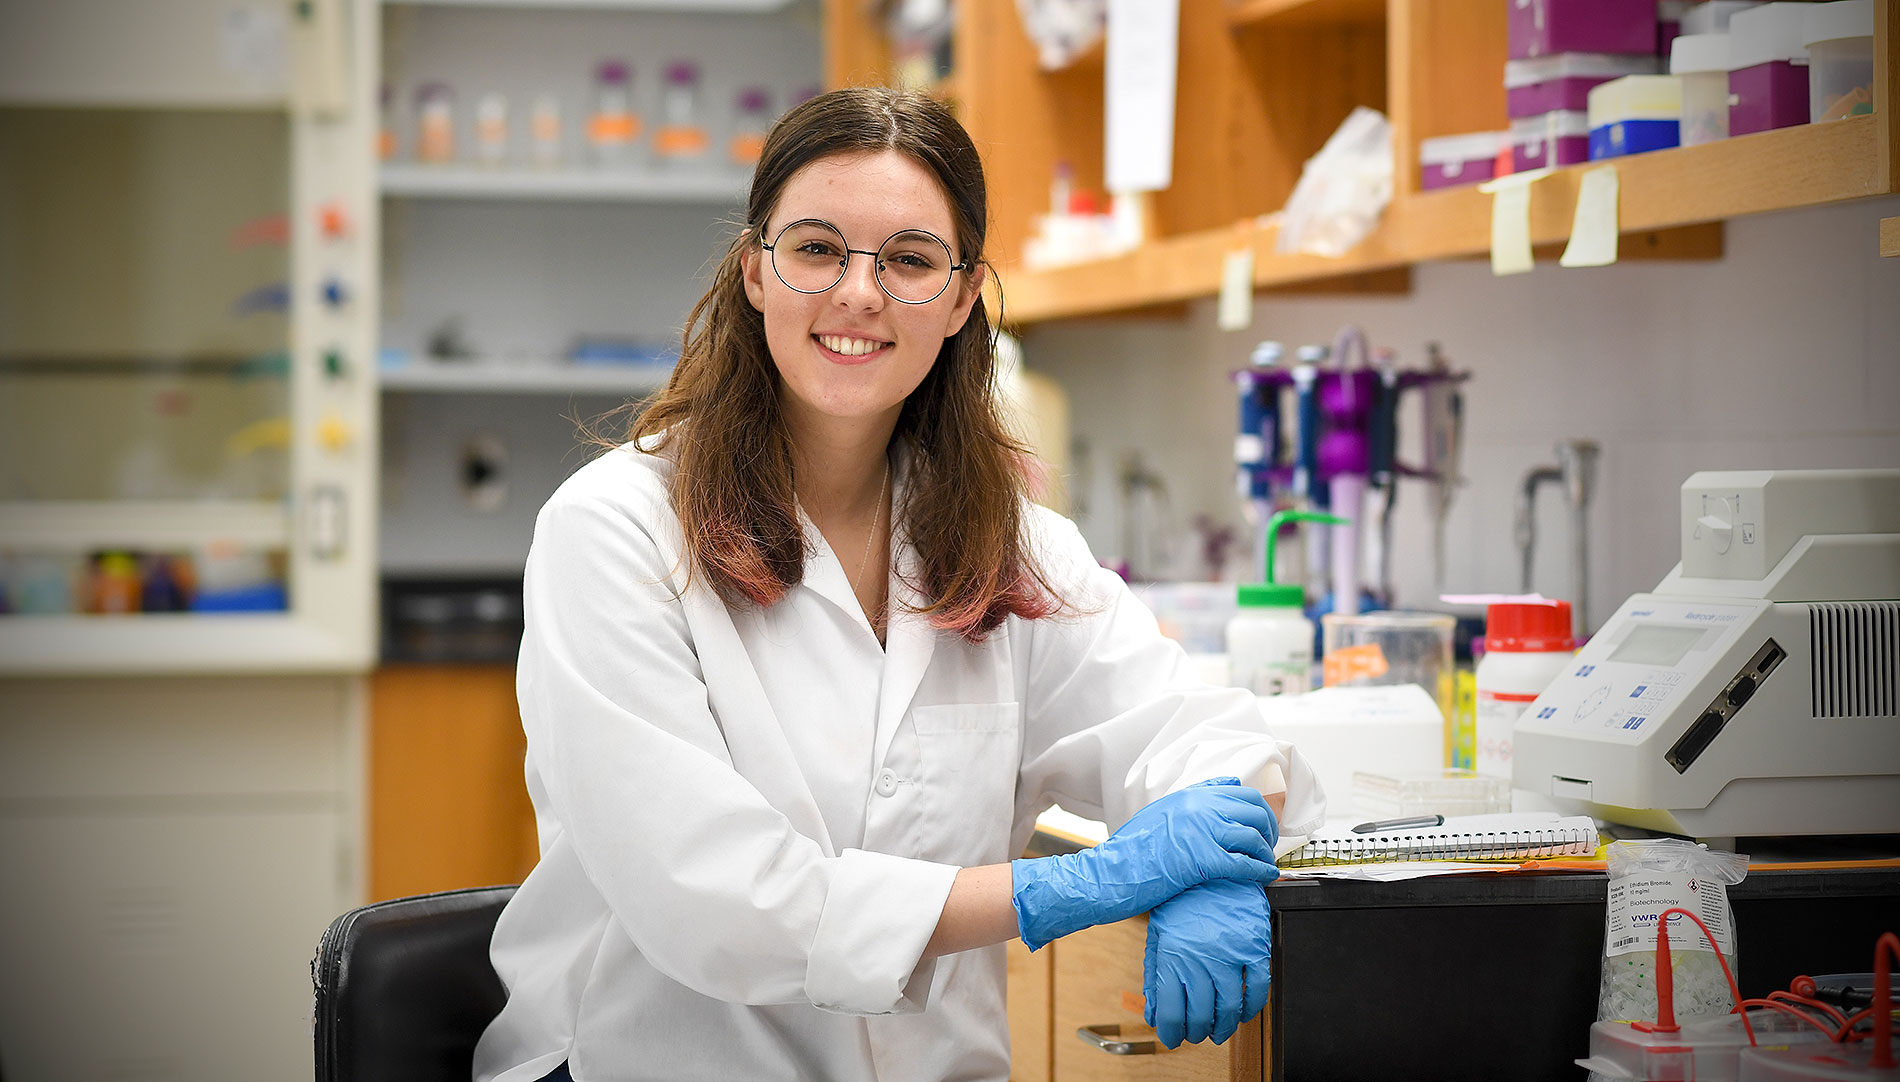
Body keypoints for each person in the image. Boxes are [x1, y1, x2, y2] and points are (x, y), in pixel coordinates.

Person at [473, 86, 1324, 1082]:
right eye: (817, 248)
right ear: (755, 269)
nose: (859, 293)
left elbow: (1194, 727)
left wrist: (1208, 872)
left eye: (911, 259)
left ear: (962, 297)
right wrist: (1071, 886)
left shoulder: (1008, 546)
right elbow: (716, 901)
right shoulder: (612, 532)